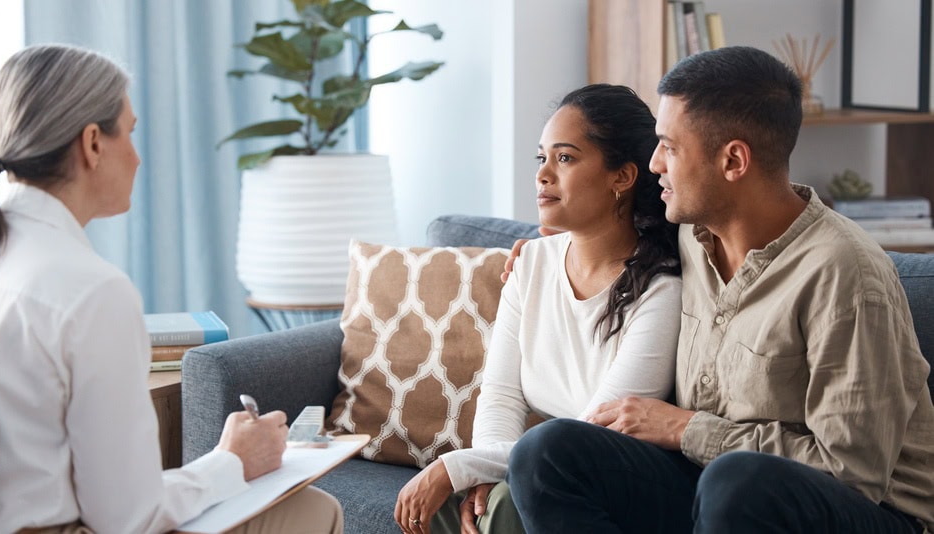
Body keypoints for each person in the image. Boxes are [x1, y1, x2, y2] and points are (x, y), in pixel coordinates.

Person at [506, 46, 934, 533]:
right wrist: (540, 251)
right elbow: (611, 222)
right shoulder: (690, 232)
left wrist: (687, 429)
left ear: (733, 160)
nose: (653, 164)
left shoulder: (845, 274)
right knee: (549, 452)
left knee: (736, 483)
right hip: (709, 486)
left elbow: (852, 474)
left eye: (669, 146)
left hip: (866, 512)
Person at [0, 44, 343, 533]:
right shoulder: (91, 292)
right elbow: (127, 518)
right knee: (314, 511)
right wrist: (232, 461)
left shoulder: (2, 257)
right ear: (92, 143)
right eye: (129, 133)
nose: (136, 158)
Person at [394, 84, 683, 534]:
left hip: (602, 478)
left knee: (508, 502)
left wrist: (459, 466)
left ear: (622, 177)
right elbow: (502, 394)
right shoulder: (530, 262)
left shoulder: (661, 288)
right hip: (532, 465)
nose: (543, 174)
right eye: (541, 158)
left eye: (565, 158)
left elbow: (592, 435)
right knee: (465, 505)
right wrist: (481, 474)